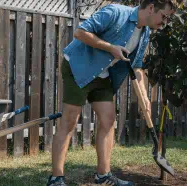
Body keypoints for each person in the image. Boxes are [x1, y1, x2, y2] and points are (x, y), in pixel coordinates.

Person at [47, 0, 175, 185]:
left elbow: (136, 67)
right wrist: (110, 47)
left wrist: (145, 98)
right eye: (164, 17)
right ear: (151, 8)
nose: (164, 22)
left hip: (102, 74)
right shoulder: (115, 12)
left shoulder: (145, 32)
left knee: (108, 119)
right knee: (69, 120)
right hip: (79, 67)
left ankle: (103, 175)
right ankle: (56, 178)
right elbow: (80, 32)